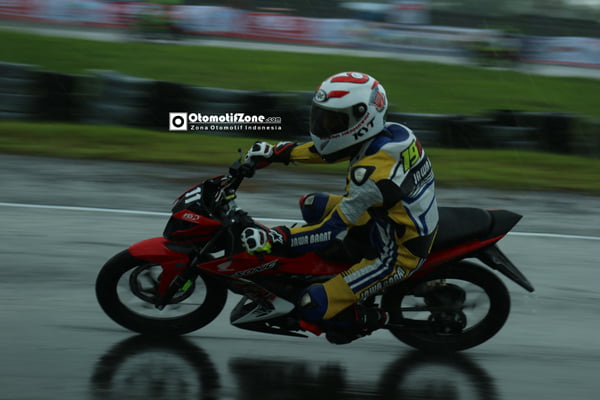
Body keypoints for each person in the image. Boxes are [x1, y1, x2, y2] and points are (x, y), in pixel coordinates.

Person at [240, 71, 439, 344]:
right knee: (311, 204)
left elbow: (330, 230)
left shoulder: (374, 176)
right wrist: (277, 153)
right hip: (385, 217)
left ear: (362, 119)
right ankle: (340, 269)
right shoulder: (391, 134)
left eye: (333, 120)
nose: (323, 126)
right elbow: (329, 151)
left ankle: (370, 319)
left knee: (312, 305)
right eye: (321, 117)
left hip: (398, 251)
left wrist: (276, 238)